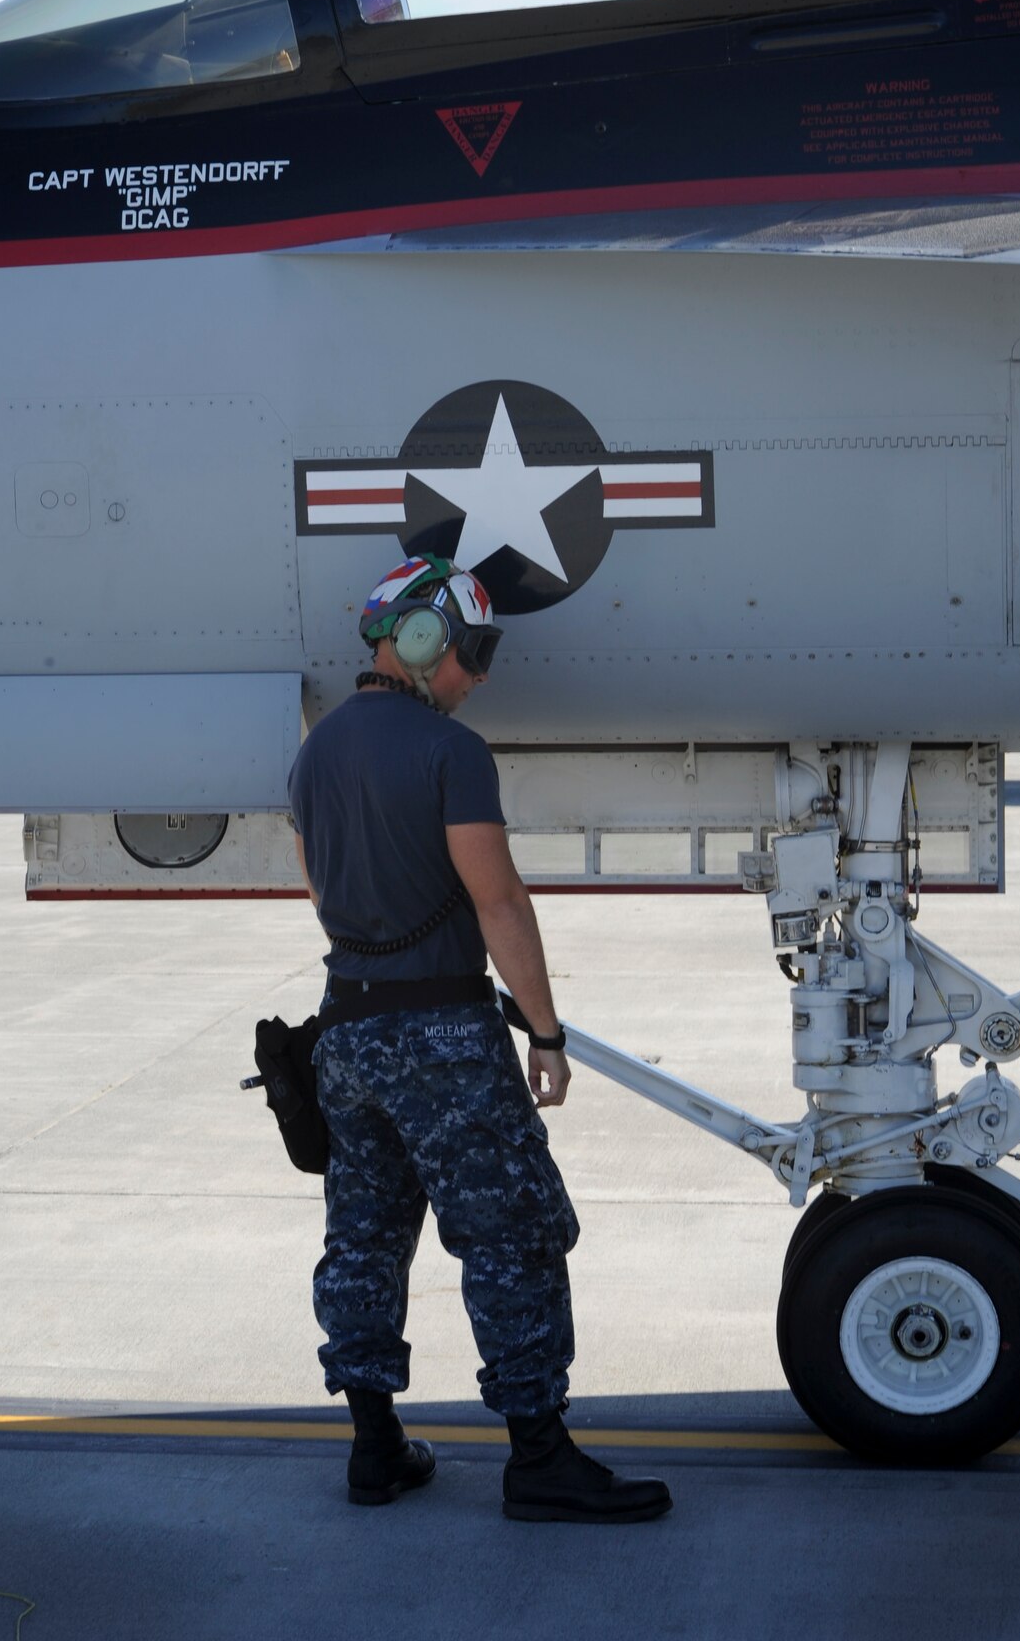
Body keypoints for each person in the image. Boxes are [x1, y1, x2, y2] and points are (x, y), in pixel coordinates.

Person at [287, 553, 672, 1523]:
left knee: (365, 1238)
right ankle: (538, 1455)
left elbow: (321, 890)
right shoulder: (450, 752)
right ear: (418, 640)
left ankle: (374, 1448)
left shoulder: (313, 751)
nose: (477, 674)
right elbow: (496, 899)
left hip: (345, 1029)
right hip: (443, 1034)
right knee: (513, 1237)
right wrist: (543, 1030)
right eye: (472, 650)